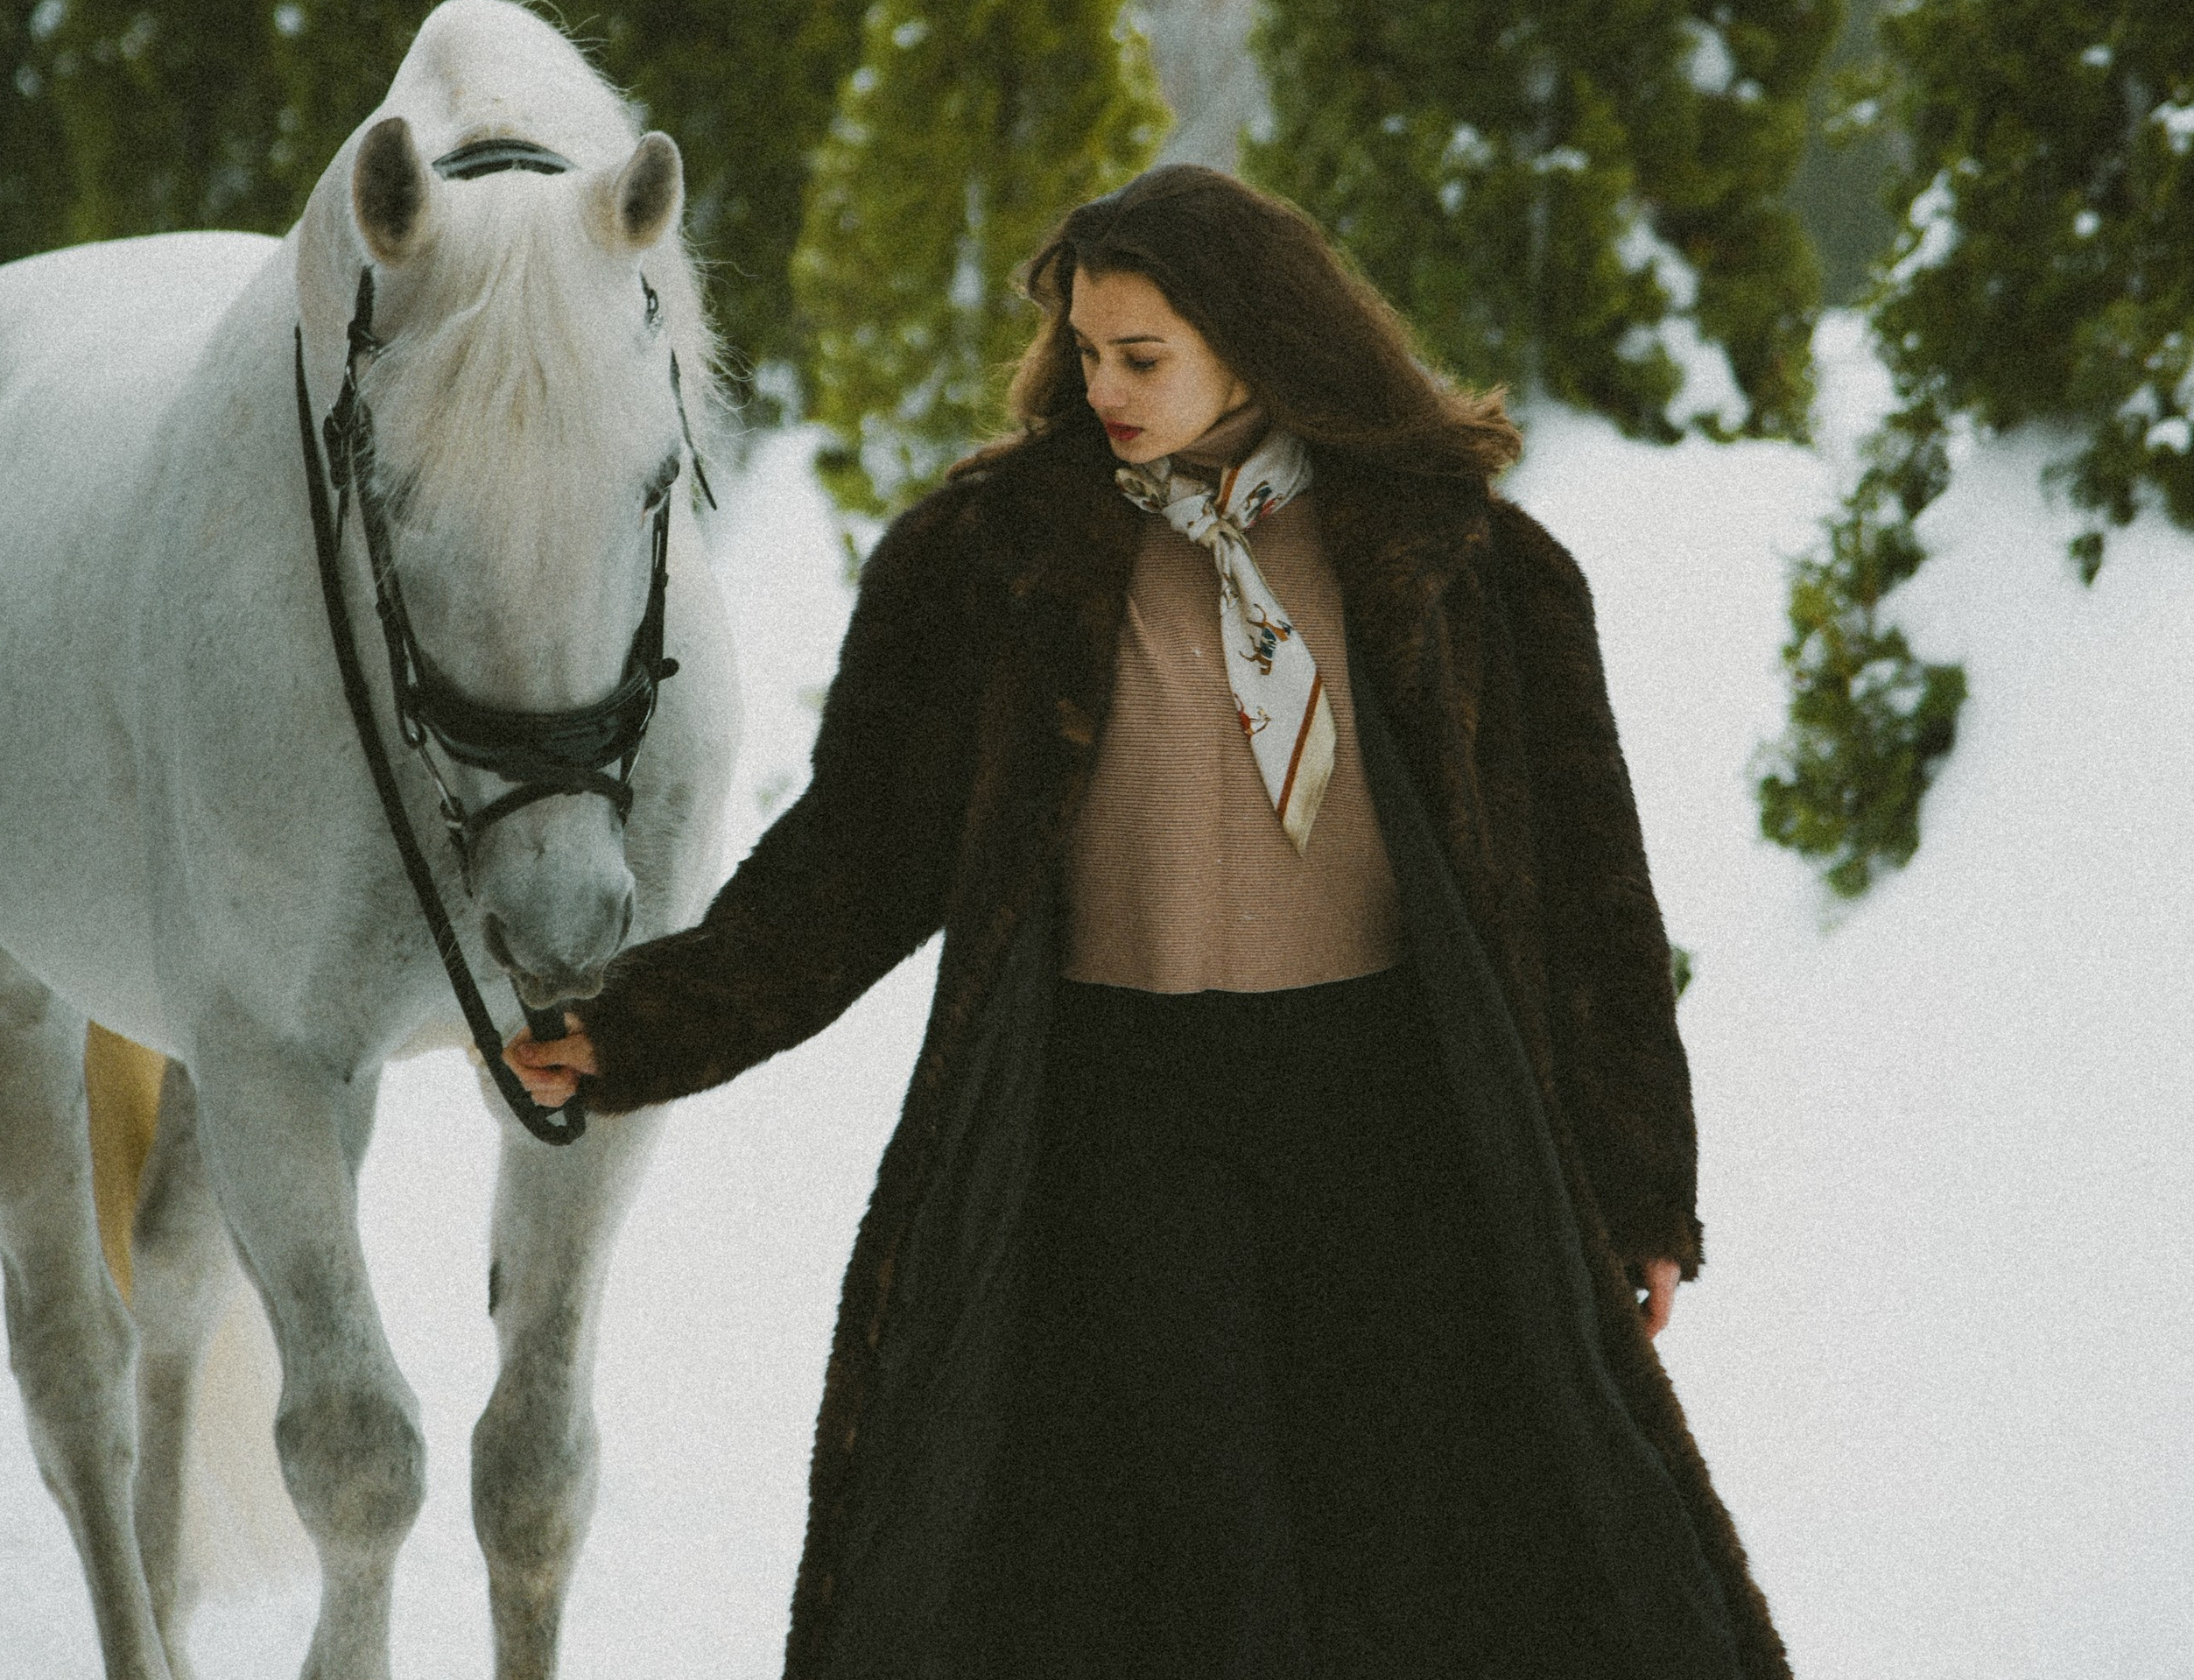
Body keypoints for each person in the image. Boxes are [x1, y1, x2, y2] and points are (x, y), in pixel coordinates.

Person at [509, 164, 1792, 1680]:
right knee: (1185, 1569)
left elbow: (1593, 897)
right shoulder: (995, 561)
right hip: (1121, 1135)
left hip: (1397, 1128)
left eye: (1143, 356)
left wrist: (1641, 1187)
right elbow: (855, 856)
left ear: (1256, 342)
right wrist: (644, 1027)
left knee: (1418, 1561)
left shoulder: (1463, 565)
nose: (1104, 389)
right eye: (1088, 352)